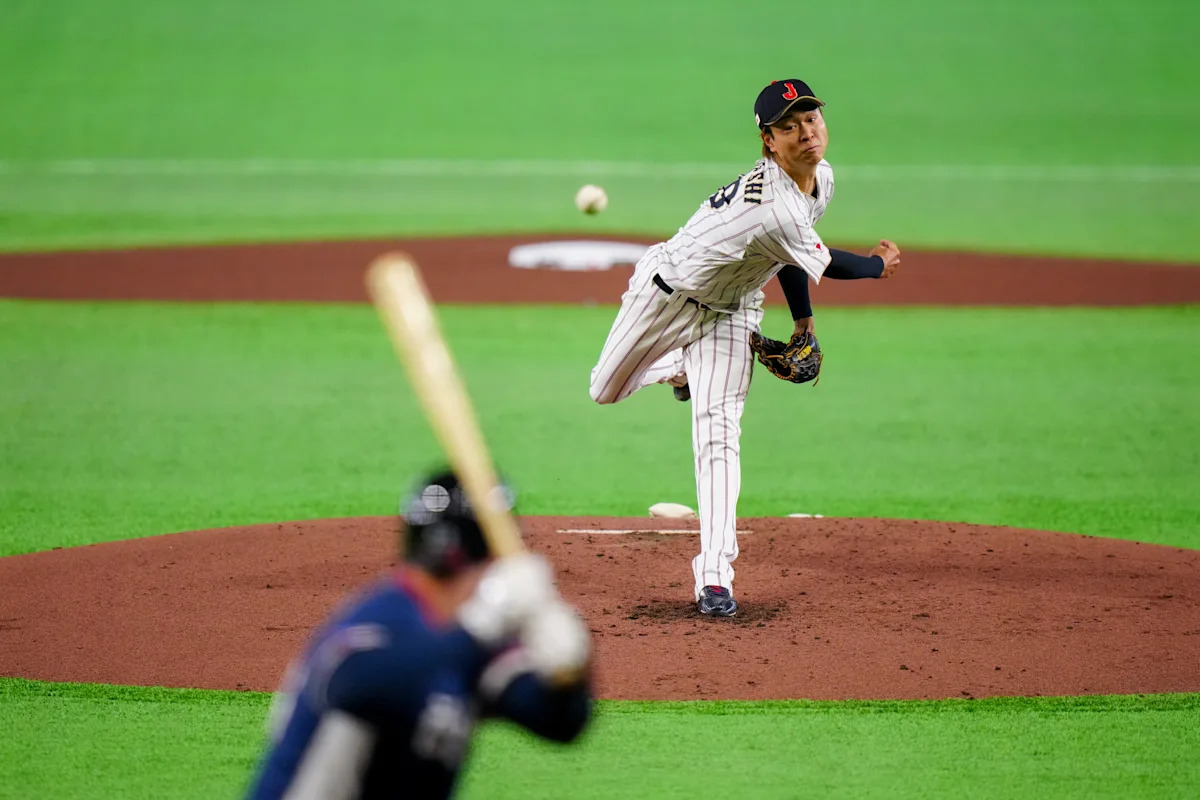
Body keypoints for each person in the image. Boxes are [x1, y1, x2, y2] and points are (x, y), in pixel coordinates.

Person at [589, 78, 901, 617]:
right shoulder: (772, 203)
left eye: (811, 118)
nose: (806, 132)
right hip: (666, 295)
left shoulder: (821, 180)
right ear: (769, 142)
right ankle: (678, 368)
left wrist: (803, 319)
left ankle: (715, 579)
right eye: (790, 127)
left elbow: (787, 257)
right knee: (604, 390)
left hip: (732, 311)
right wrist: (877, 266)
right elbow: (826, 260)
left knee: (719, 435)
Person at [245, 471, 592, 799]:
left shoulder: (464, 642)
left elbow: (560, 722)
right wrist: (483, 624)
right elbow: (372, 682)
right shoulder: (376, 624)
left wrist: (566, 669)